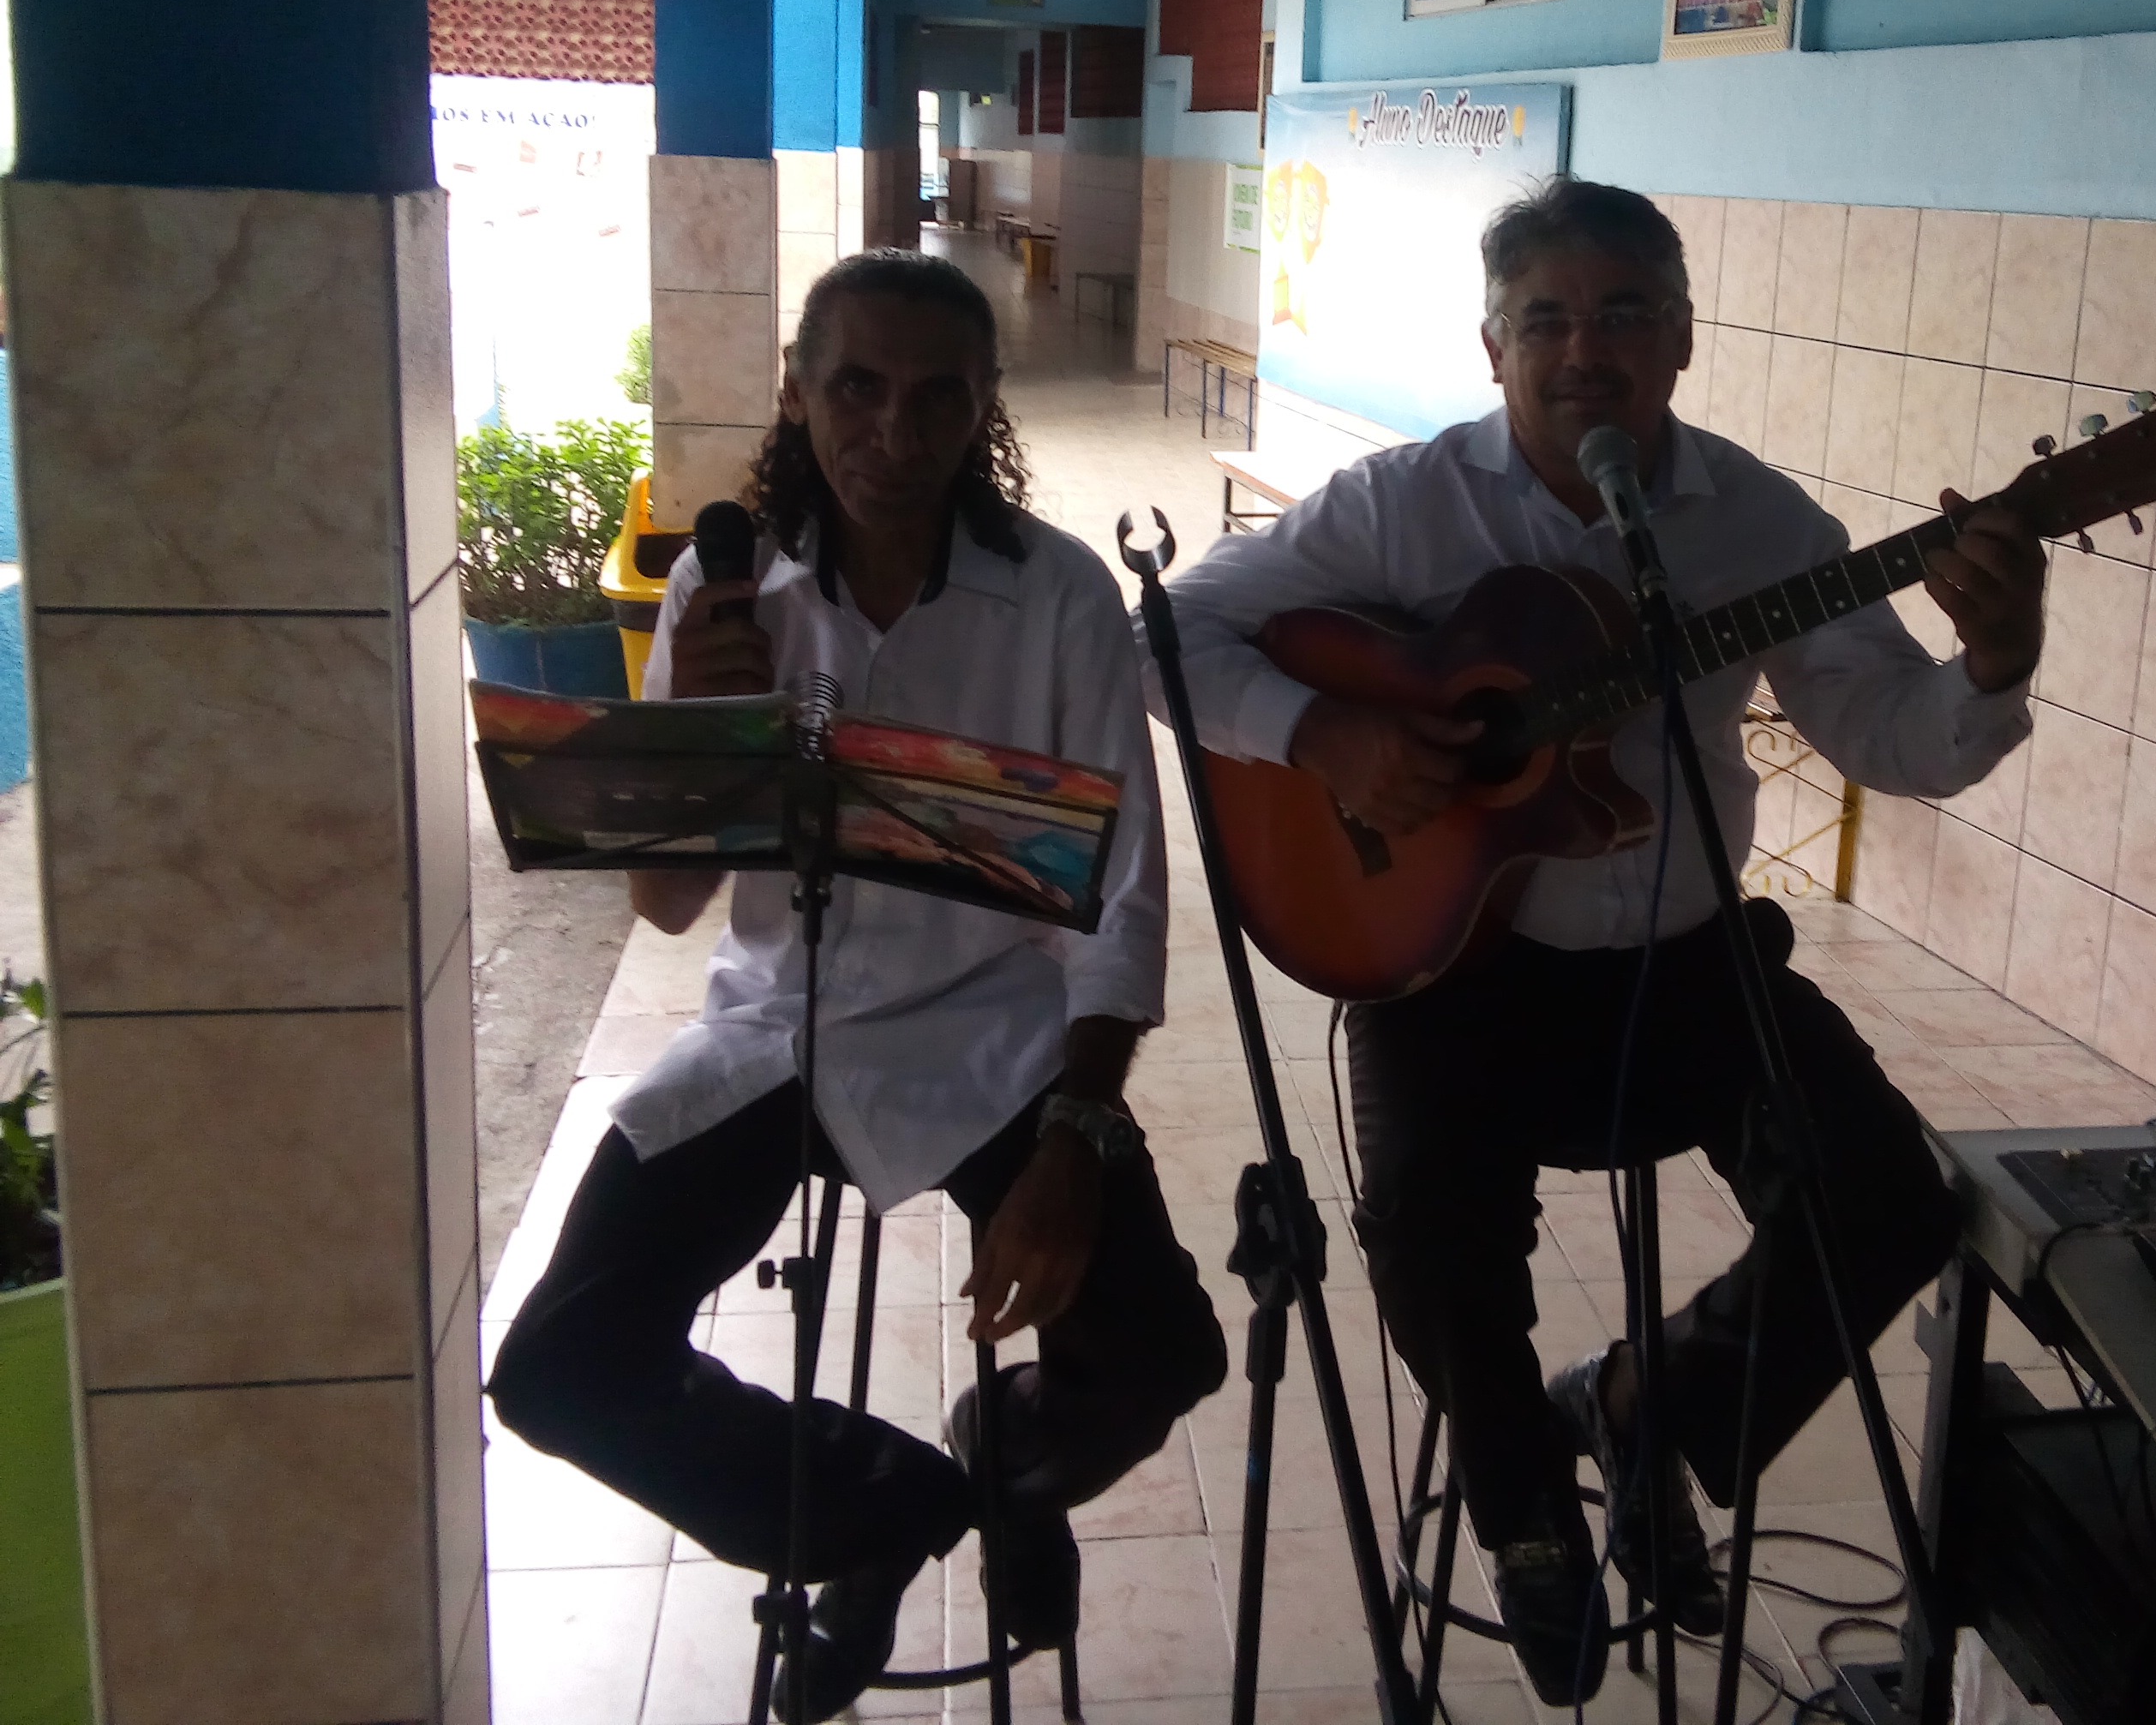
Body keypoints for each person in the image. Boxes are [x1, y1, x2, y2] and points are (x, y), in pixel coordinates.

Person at [1156, 180, 2045, 1704]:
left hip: (1690, 964)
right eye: (1547, 320)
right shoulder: (1400, 506)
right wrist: (1323, 734)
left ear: (1682, 340)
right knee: (1427, 1231)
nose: (1587, 352)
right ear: (1492, 346)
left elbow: (1885, 735)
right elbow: (1166, 635)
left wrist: (1994, 663)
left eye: (1625, 315)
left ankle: (1644, 1407)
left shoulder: (1764, 525)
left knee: (1891, 1198)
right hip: (1455, 967)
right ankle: (1522, 1508)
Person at [489, 251, 1225, 1720]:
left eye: (937, 395)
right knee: (562, 1366)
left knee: (1161, 1353)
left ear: (985, 404)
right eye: (857, 388)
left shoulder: (1060, 595)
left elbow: (1123, 890)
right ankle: (880, 1512)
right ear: (798, 392)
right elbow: (667, 906)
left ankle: (1009, 1466)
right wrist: (705, 741)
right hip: (780, 1033)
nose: (895, 432)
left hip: (999, 1037)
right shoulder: (721, 586)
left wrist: (1079, 1133)